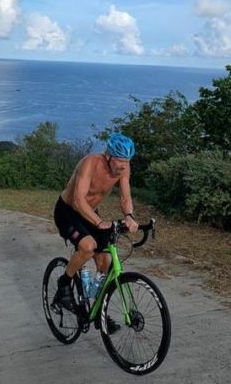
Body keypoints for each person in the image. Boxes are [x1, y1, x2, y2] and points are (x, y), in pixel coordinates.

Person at [53, 133, 139, 322]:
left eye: (127, 161)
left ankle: (97, 308)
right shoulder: (90, 163)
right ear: (108, 156)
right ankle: (64, 284)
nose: (123, 166)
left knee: (105, 260)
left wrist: (129, 216)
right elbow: (78, 199)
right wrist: (100, 223)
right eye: (119, 161)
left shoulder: (124, 168)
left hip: (90, 212)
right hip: (68, 211)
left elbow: (125, 197)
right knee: (88, 247)